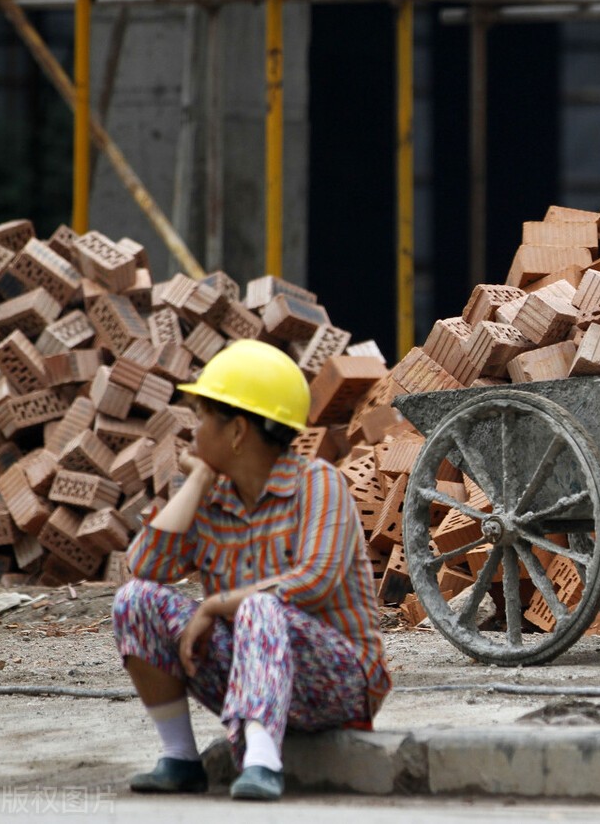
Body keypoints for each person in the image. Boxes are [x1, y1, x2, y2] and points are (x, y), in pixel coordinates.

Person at [112, 339, 391, 800]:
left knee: (261, 605)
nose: (193, 432)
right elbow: (143, 567)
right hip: (248, 671)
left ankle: (262, 761)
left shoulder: (318, 484)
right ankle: (181, 758)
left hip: (336, 684)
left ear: (237, 431)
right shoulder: (212, 499)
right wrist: (198, 480)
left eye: (203, 418)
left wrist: (217, 604)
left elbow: (314, 581)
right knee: (134, 601)